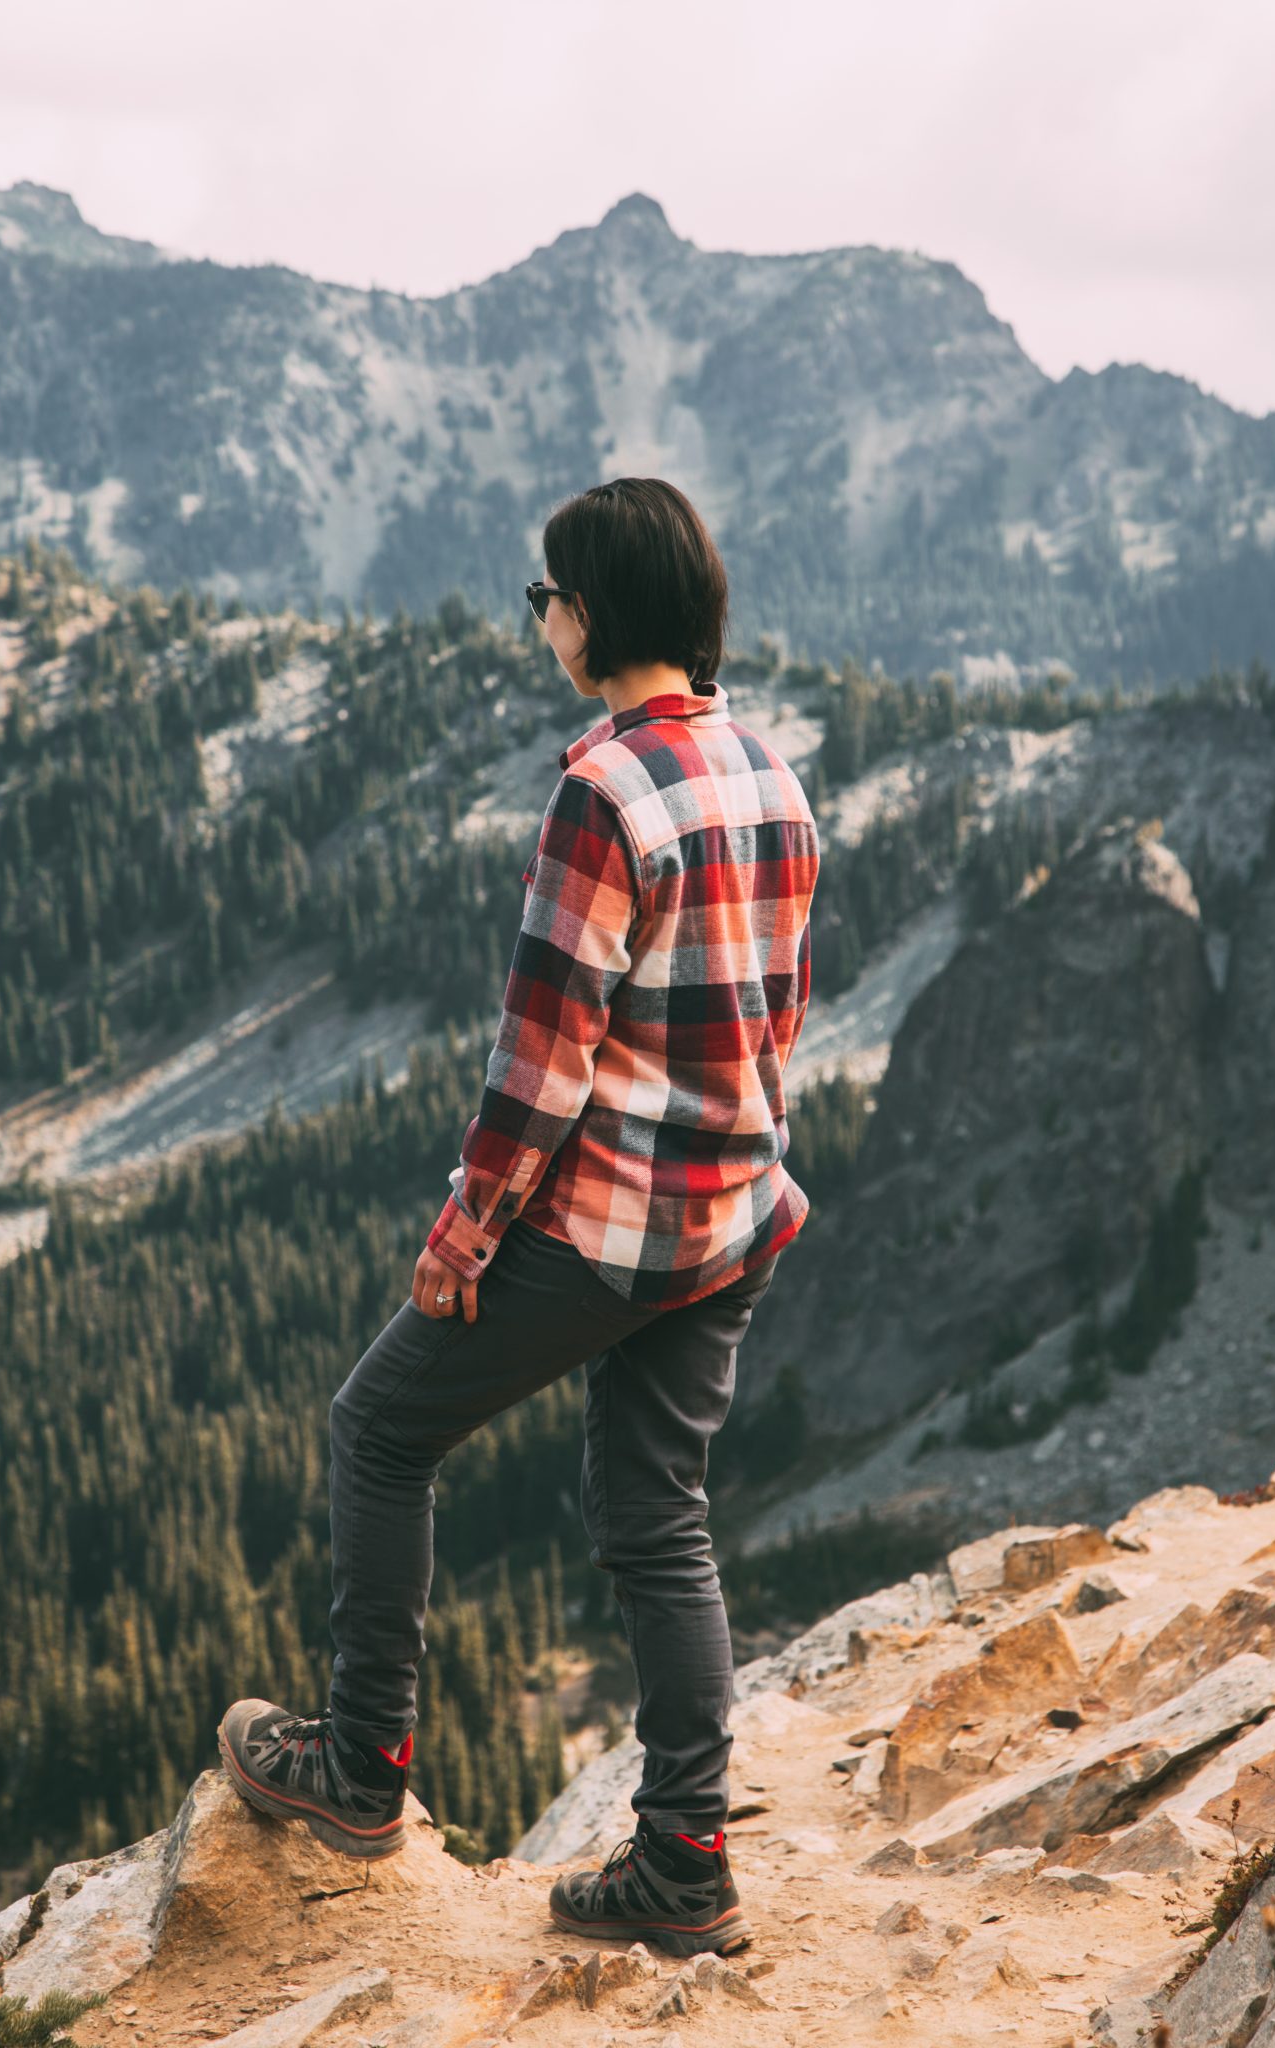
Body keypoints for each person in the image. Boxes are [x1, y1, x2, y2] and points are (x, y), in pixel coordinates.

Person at [218, 477, 820, 1957]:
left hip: (603, 1225)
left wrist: (463, 1234)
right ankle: (684, 1864)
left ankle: (364, 1769)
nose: (539, 620)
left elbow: (541, 1061)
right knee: (658, 1523)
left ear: (588, 613)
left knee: (378, 1430)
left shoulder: (602, 793)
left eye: (543, 597)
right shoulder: (769, 774)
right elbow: (776, 1012)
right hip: (733, 1212)